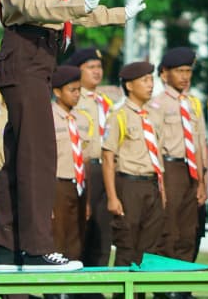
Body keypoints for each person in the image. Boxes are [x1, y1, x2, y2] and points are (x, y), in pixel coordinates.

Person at [0, 0, 147, 271]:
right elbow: (33, 4)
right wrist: (79, 4)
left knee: (21, 157)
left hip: (37, 60)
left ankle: (9, 250)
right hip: (26, 57)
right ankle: (37, 250)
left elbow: (65, 10)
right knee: (39, 158)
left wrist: (117, 13)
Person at [103, 61, 165, 269]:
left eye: (151, 80)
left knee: (150, 248)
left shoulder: (153, 116)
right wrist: (112, 197)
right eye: (144, 80)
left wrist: (161, 188)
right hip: (129, 185)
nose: (150, 85)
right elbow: (108, 157)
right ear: (129, 85)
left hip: (151, 184)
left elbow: (157, 154)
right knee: (127, 246)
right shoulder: (118, 116)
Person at [148, 47, 206, 264]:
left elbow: (199, 143)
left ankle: (183, 285)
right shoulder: (158, 104)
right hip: (170, 169)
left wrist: (202, 181)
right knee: (169, 228)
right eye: (180, 71)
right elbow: (155, 146)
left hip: (191, 169)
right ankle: (165, 285)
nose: (185, 76)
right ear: (165, 74)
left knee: (189, 230)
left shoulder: (193, 104)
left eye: (188, 71)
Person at [67, 46, 119, 268]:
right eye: (90, 67)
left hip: (106, 169)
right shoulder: (73, 101)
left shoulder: (107, 103)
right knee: (80, 229)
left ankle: (98, 283)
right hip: (82, 170)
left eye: (98, 67)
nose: (97, 71)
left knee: (103, 232)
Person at [50, 65, 91, 262]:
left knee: (77, 236)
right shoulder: (48, 117)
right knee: (58, 236)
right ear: (57, 92)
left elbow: (86, 156)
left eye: (79, 90)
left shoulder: (81, 119)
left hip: (79, 185)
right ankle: (55, 291)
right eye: (72, 90)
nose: (77, 95)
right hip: (57, 183)